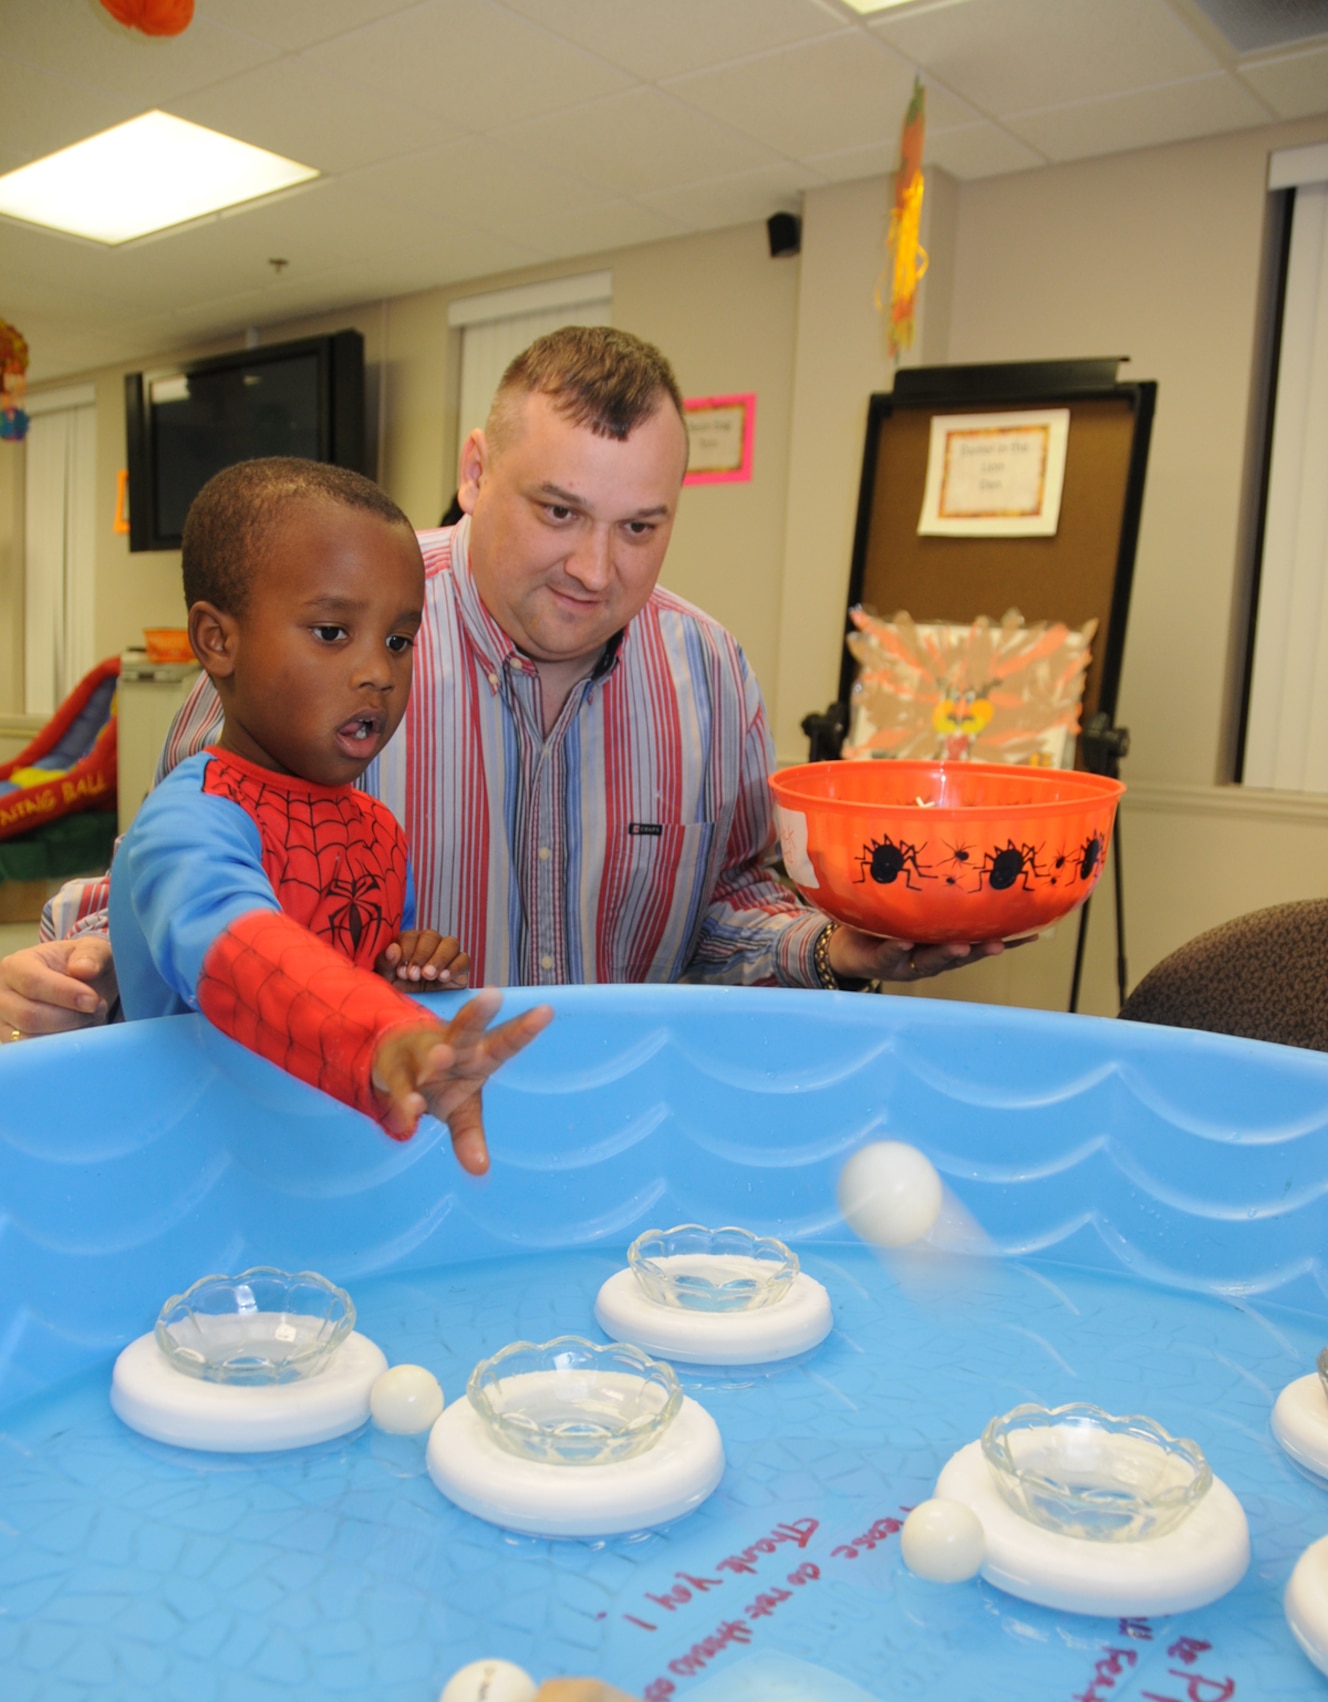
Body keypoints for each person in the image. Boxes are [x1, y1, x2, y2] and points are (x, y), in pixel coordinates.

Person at [0, 326, 1007, 1037]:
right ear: (476, 471)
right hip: (360, 1135)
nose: (596, 569)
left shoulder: (709, 672)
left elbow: (729, 902)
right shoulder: (310, 641)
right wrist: (66, 975)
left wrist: (835, 949)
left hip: (618, 1129)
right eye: (559, 512)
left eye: (640, 526)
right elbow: (168, 882)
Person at [110, 457, 550, 1169]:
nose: (379, 670)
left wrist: (405, 979)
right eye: (330, 632)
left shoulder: (378, 832)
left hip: (318, 1166)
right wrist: (385, 1033)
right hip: (191, 1171)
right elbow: (239, 951)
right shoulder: (189, 821)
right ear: (218, 641)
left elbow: (352, 974)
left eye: (399, 640)